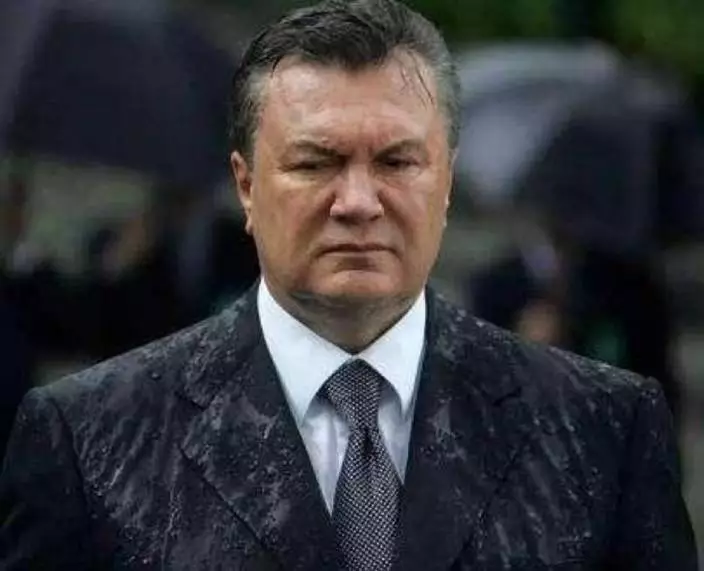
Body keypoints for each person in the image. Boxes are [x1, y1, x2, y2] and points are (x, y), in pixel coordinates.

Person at [0, 0, 697, 568]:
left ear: (447, 184)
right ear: (246, 185)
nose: (359, 202)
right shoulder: (87, 438)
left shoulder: (606, 428)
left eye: (397, 162)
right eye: (315, 163)